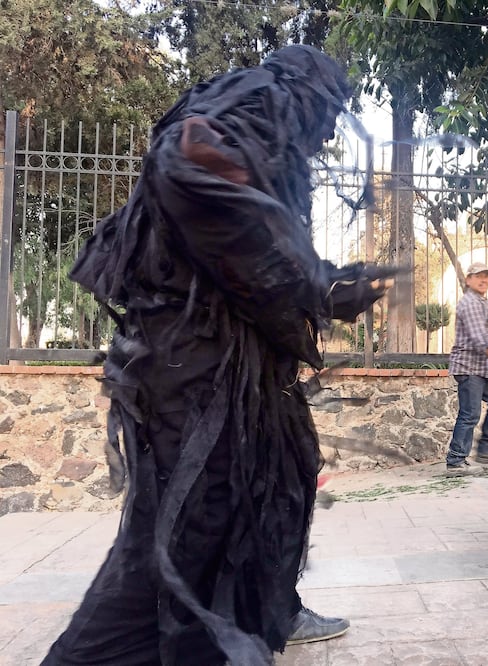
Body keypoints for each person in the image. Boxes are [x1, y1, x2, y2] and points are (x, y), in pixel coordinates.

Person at [43, 45, 395, 665]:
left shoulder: (265, 136)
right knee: (178, 547)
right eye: (331, 111)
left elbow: (258, 250)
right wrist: (317, 284)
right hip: (194, 380)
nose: (330, 129)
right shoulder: (251, 108)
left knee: (259, 503)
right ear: (308, 95)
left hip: (228, 378)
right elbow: (188, 165)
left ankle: (269, 613)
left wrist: (329, 285)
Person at [445, 262, 488, 475]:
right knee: (469, 414)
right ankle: (456, 461)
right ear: (468, 280)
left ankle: (485, 450)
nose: (483, 280)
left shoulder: (483, 302)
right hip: (469, 367)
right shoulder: (470, 303)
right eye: (478, 276)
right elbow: (479, 339)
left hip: (484, 368)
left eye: (486, 276)